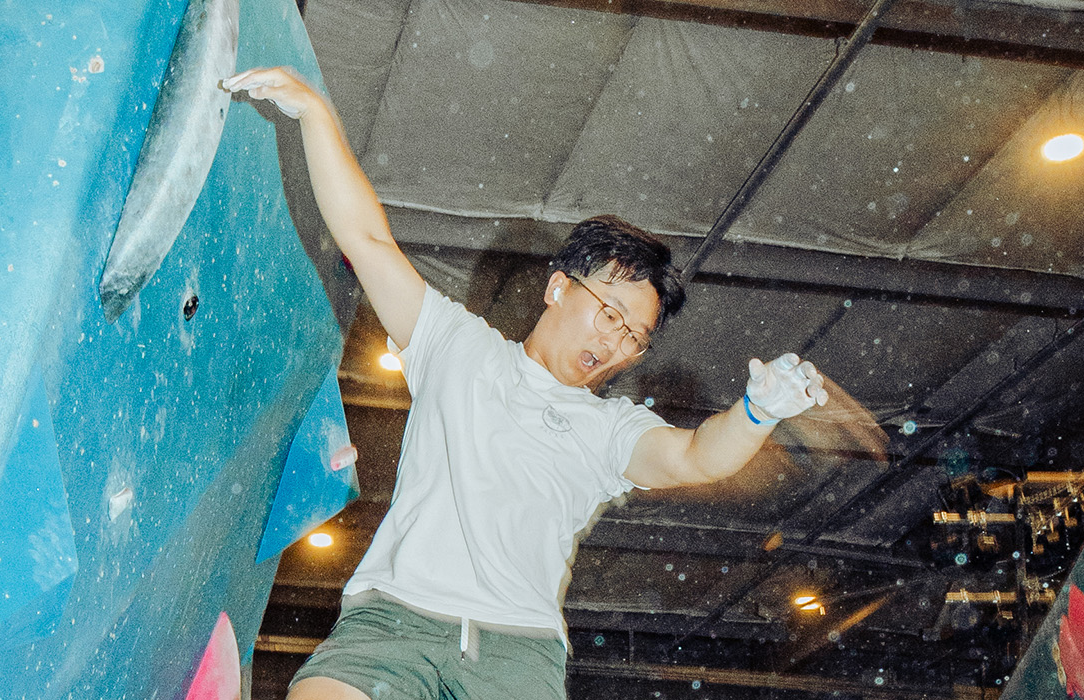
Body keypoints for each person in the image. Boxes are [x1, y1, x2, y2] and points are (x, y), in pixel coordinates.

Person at [221, 67, 829, 700]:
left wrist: (759, 410)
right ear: (560, 286)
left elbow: (698, 456)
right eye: (611, 316)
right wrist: (317, 114)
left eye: (634, 338)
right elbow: (367, 238)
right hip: (394, 619)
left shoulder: (609, 429)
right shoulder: (456, 344)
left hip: (516, 650)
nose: (616, 343)